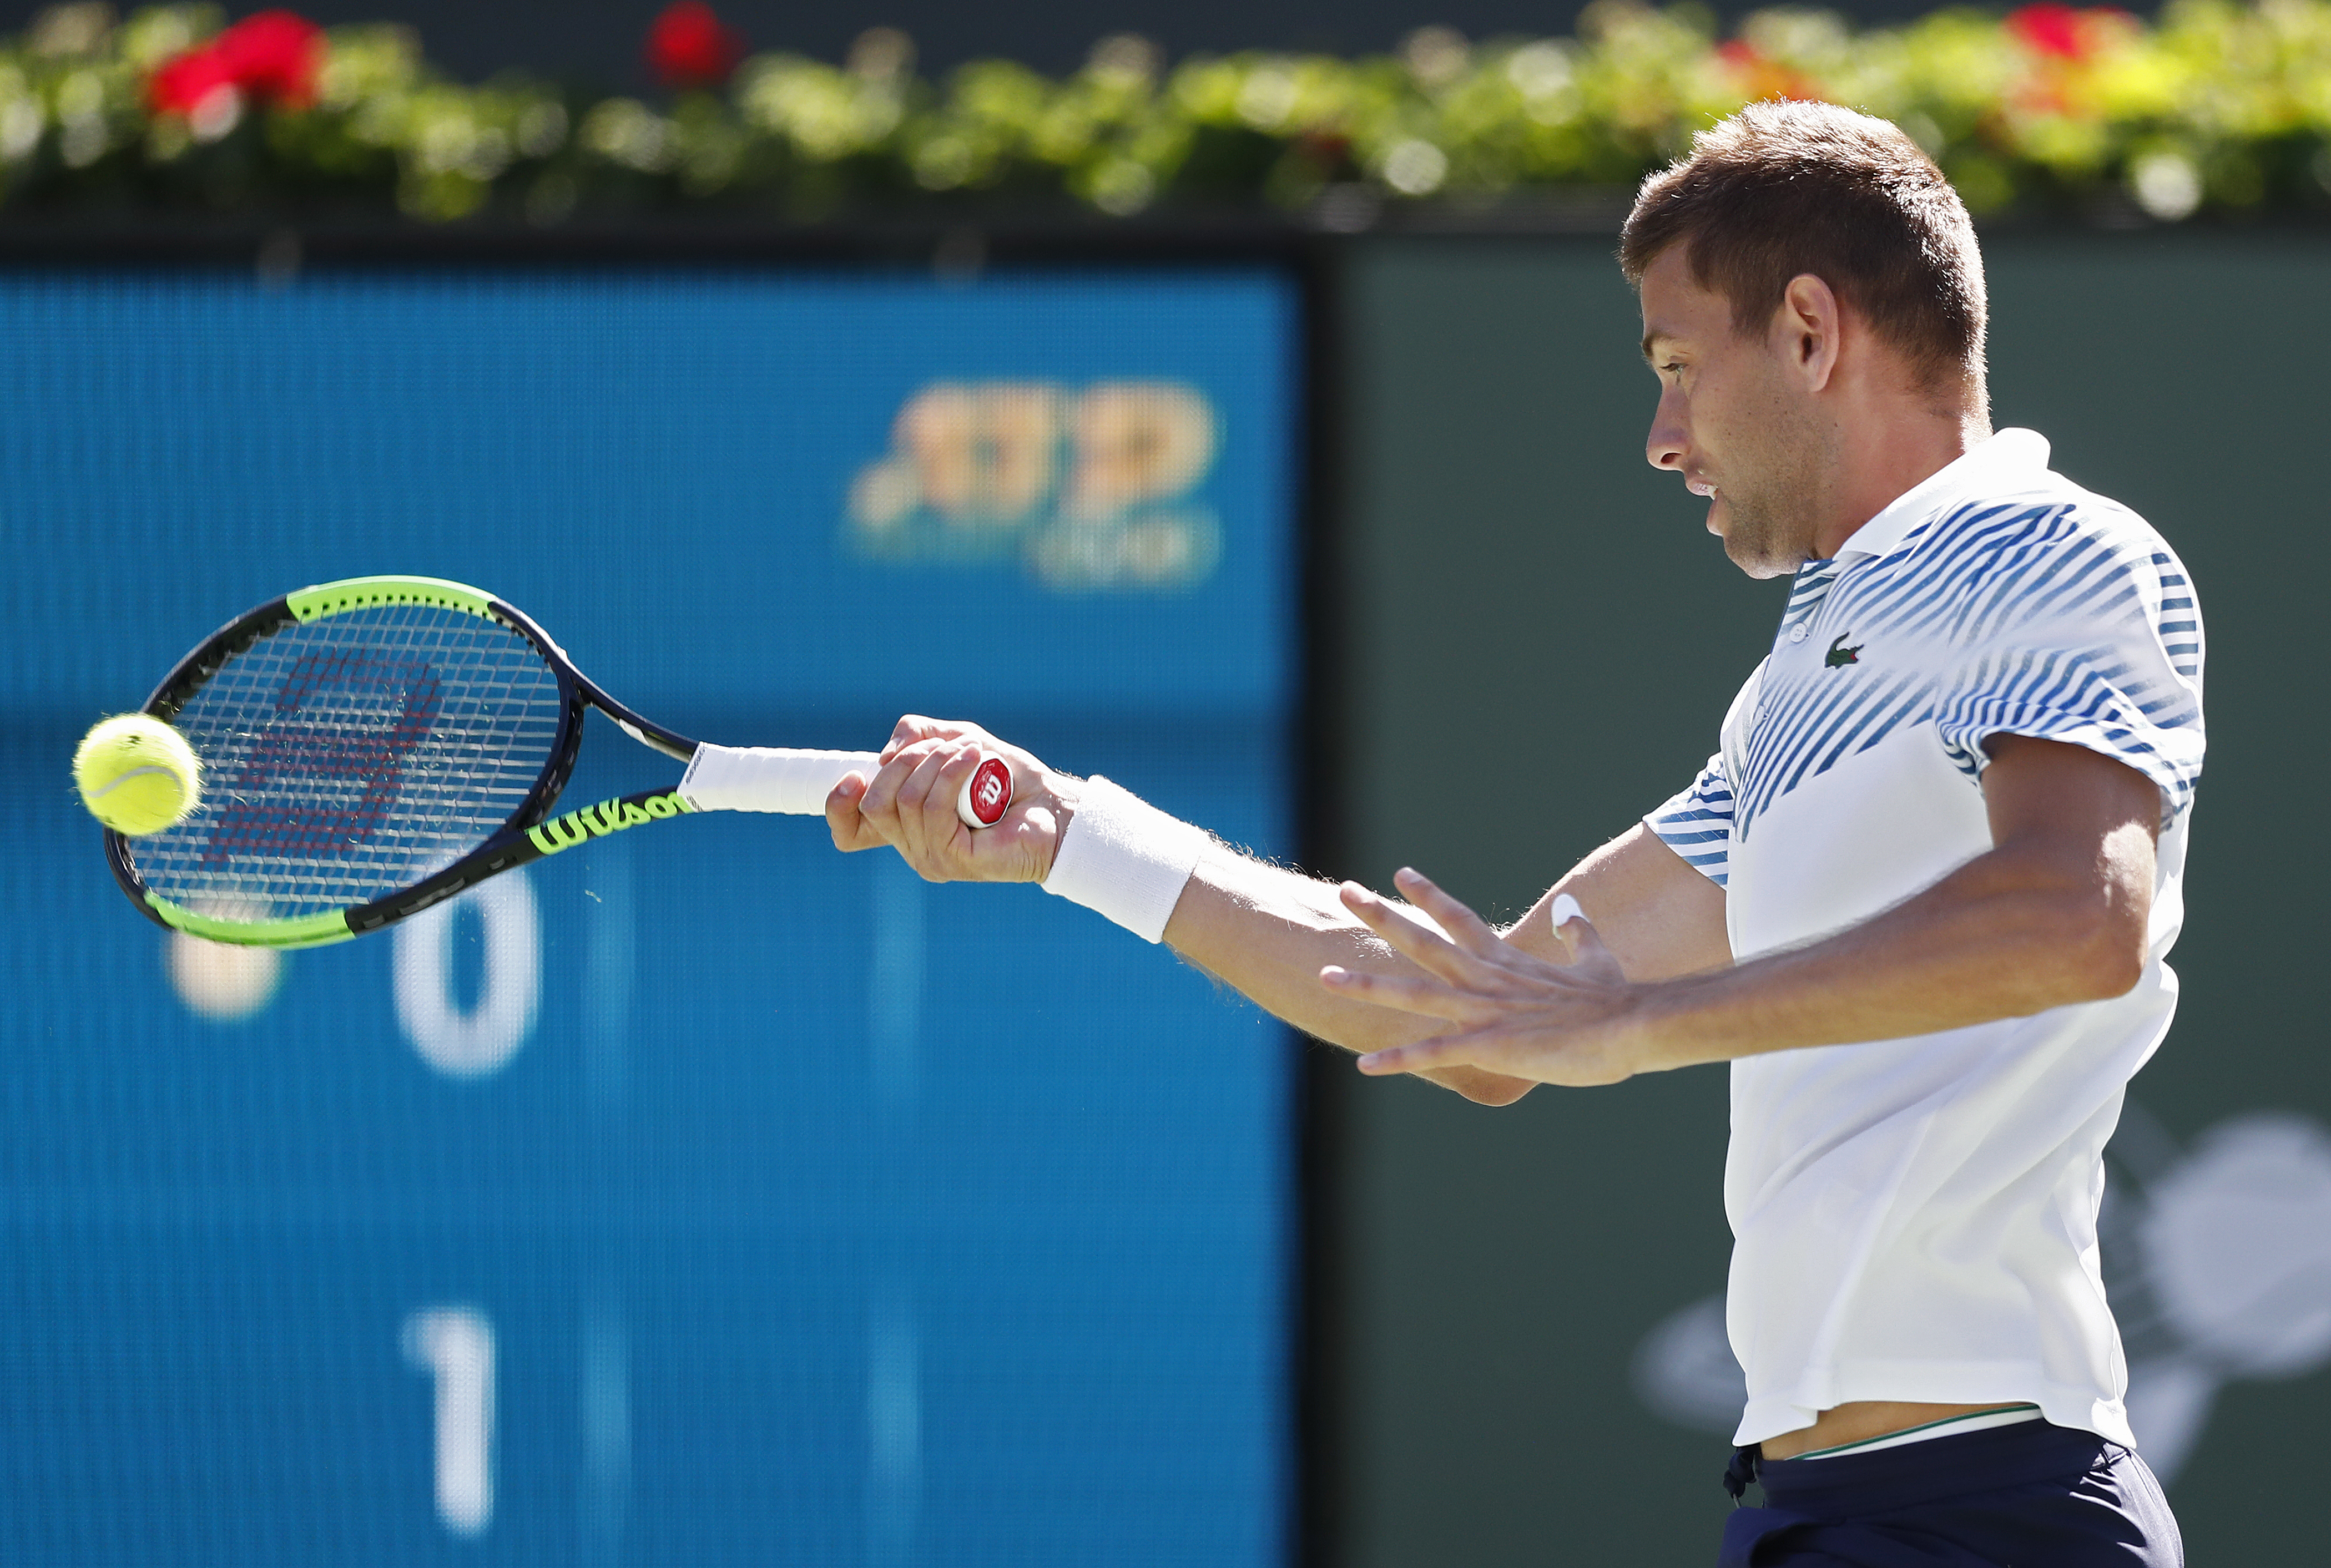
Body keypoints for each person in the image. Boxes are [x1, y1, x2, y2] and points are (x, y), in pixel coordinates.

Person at [826, 99, 2198, 1567]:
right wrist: (1066, 833)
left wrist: (1643, 1019)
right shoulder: (1807, 675)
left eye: (1680, 369)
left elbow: (2077, 917)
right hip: (1817, 1510)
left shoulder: (2052, 547)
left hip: (1992, 1510)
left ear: (1809, 329)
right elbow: (1478, 1019)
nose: (1664, 437)